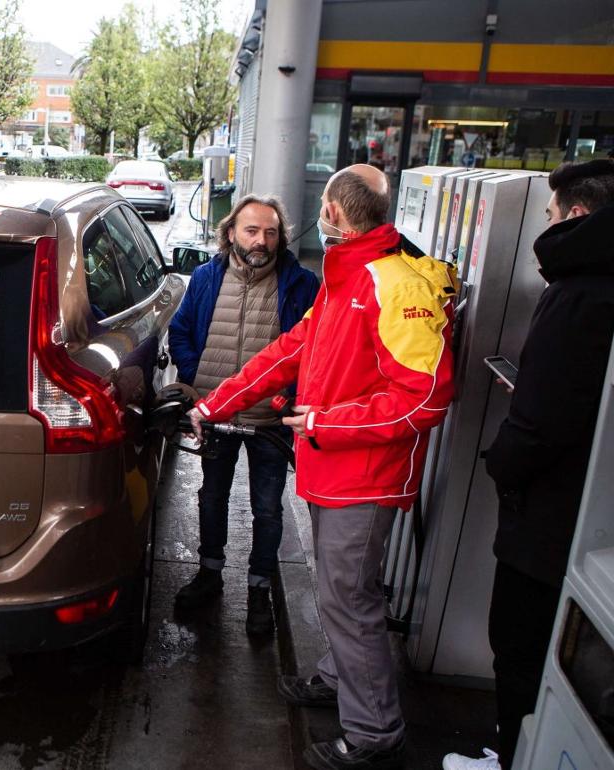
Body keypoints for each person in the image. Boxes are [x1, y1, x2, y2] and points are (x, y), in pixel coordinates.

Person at [191, 164, 457, 770]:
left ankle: (373, 732)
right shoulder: (345, 280)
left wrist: (325, 424)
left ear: (332, 214)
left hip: (362, 478)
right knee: (344, 597)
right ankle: (341, 679)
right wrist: (215, 402)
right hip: (333, 472)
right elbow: (286, 353)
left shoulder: (394, 285)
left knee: (350, 602)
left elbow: (424, 398)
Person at [443, 160, 614, 770]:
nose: (545, 228)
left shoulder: (577, 293)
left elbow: (543, 421)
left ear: (576, 215)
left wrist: (502, 465)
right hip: (588, 515)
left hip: (548, 520)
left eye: (549, 215)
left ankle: (514, 755)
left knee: (520, 648)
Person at [168, 195, 319, 635]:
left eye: (271, 232)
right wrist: (199, 377)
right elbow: (179, 332)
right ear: (231, 232)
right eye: (252, 230)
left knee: (267, 509)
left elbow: (311, 349)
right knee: (211, 497)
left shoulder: (301, 284)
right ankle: (210, 573)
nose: (262, 240)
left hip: (269, 423)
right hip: (216, 416)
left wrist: (289, 395)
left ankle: (258, 589)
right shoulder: (204, 277)